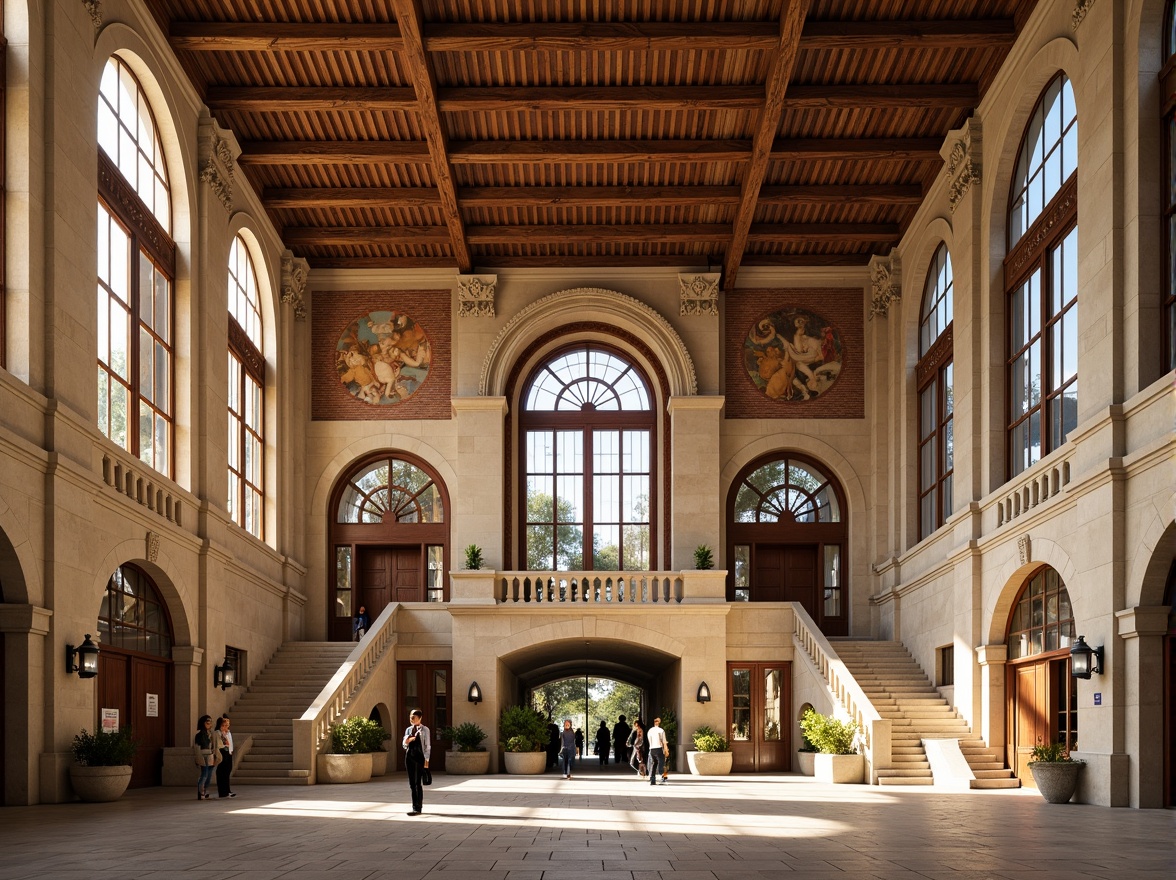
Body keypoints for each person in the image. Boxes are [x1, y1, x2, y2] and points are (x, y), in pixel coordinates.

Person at [401, 708, 430, 815]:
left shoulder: (425, 730)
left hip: (419, 757)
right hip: (409, 757)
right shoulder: (408, 729)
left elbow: (427, 746)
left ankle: (418, 808)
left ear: (420, 718)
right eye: (411, 717)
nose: (412, 720)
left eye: (414, 718)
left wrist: (426, 760)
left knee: (418, 783)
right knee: (412, 783)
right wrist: (408, 740)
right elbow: (404, 745)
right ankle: (414, 806)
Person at [192, 715, 217, 800]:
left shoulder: (209, 733)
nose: (209, 724)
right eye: (207, 723)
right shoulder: (199, 734)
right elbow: (196, 747)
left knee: (209, 776)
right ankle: (201, 792)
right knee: (204, 775)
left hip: (210, 755)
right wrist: (197, 758)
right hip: (203, 755)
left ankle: (205, 790)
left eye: (210, 723)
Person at [213, 716, 237, 798]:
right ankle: (222, 792)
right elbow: (219, 744)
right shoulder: (217, 733)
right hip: (221, 752)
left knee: (227, 772)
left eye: (227, 725)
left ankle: (227, 790)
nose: (225, 727)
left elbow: (230, 743)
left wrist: (231, 751)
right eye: (223, 725)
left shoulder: (228, 733)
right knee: (221, 773)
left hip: (228, 753)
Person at [645, 716, 667, 786]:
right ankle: (662, 778)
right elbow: (664, 742)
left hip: (652, 749)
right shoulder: (661, 730)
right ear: (659, 722)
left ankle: (652, 779)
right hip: (659, 748)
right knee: (662, 763)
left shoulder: (650, 731)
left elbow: (649, 740)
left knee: (654, 763)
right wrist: (666, 750)